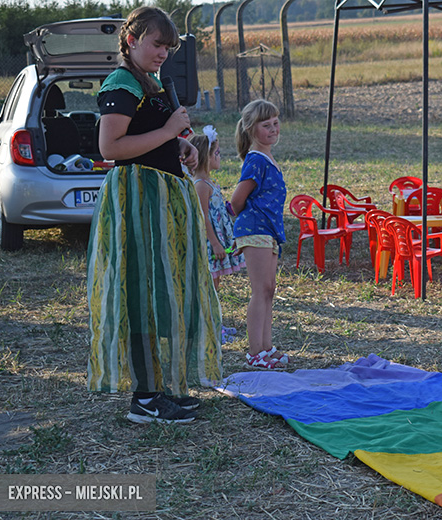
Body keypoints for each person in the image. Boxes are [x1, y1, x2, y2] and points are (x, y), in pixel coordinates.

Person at [87, 7, 222, 424]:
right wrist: (166, 133)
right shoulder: (122, 82)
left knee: (162, 291)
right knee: (142, 293)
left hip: (159, 195)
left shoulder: (152, 82)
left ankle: (159, 388)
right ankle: (145, 400)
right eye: (156, 44)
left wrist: (178, 147)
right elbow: (110, 148)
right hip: (138, 200)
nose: (163, 52)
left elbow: (148, 138)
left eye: (168, 46)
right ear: (131, 41)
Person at [231, 100, 290, 370]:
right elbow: (237, 200)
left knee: (269, 290)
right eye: (266, 125)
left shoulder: (267, 158)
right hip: (255, 229)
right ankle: (255, 352)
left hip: (270, 231)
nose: (273, 128)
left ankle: (267, 348)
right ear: (251, 129)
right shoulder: (255, 160)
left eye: (275, 123)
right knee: (259, 290)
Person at [189, 126, 246, 343]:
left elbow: (217, 210)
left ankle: (215, 322)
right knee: (208, 287)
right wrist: (214, 243)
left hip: (218, 242)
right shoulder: (200, 185)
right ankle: (208, 328)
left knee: (215, 284)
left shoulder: (210, 183)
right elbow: (202, 217)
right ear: (205, 157)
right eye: (217, 153)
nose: (219, 156)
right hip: (209, 244)